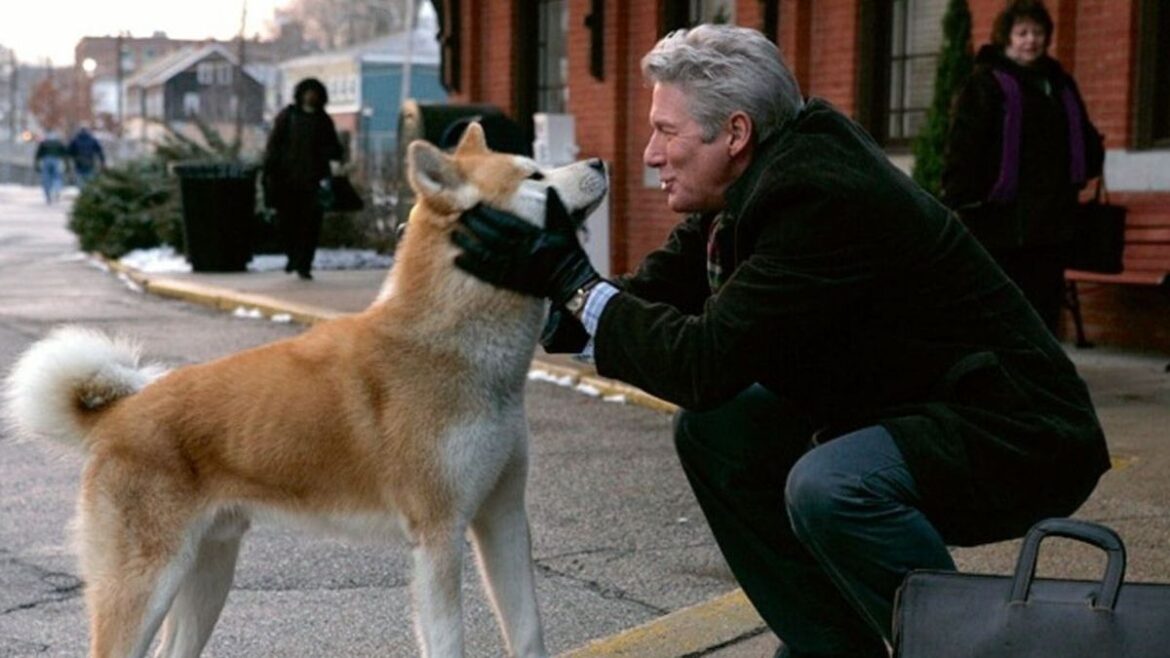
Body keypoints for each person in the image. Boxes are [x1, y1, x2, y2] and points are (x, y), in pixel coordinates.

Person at [451, 23, 1110, 658]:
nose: (651, 154)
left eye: (665, 131)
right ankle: (830, 648)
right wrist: (526, 285)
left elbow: (702, 362)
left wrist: (567, 278)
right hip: (916, 410)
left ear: (734, 132)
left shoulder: (820, 196)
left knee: (831, 488)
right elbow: (642, 302)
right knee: (716, 430)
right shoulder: (750, 185)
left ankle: (959, 648)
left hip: (1014, 429)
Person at [941, 0, 1103, 334]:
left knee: (1044, 307)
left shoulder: (1059, 84)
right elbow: (964, 145)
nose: (1031, 40)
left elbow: (1084, 137)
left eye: (1038, 32)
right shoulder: (987, 83)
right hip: (1001, 222)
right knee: (1004, 305)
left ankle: (1041, 373)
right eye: (1022, 33)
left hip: (1053, 221)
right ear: (1007, 38)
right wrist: (961, 197)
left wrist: (1089, 161)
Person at [262, 77, 344, 280]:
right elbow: (274, 146)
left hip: (314, 183)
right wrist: (269, 171)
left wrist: (327, 156)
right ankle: (292, 256)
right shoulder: (288, 116)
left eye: (314, 92)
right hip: (286, 181)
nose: (310, 96)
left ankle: (304, 263)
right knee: (287, 223)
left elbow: (336, 149)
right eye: (307, 92)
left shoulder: (324, 120)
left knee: (310, 226)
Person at [33, 131, 69, 204]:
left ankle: (48, 195)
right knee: (57, 177)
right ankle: (57, 190)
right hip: (56, 161)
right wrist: (67, 165)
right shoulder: (59, 143)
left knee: (46, 178)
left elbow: (38, 155)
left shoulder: (44, 143)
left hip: (46, 161)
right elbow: (65, 154)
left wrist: (37, 165)